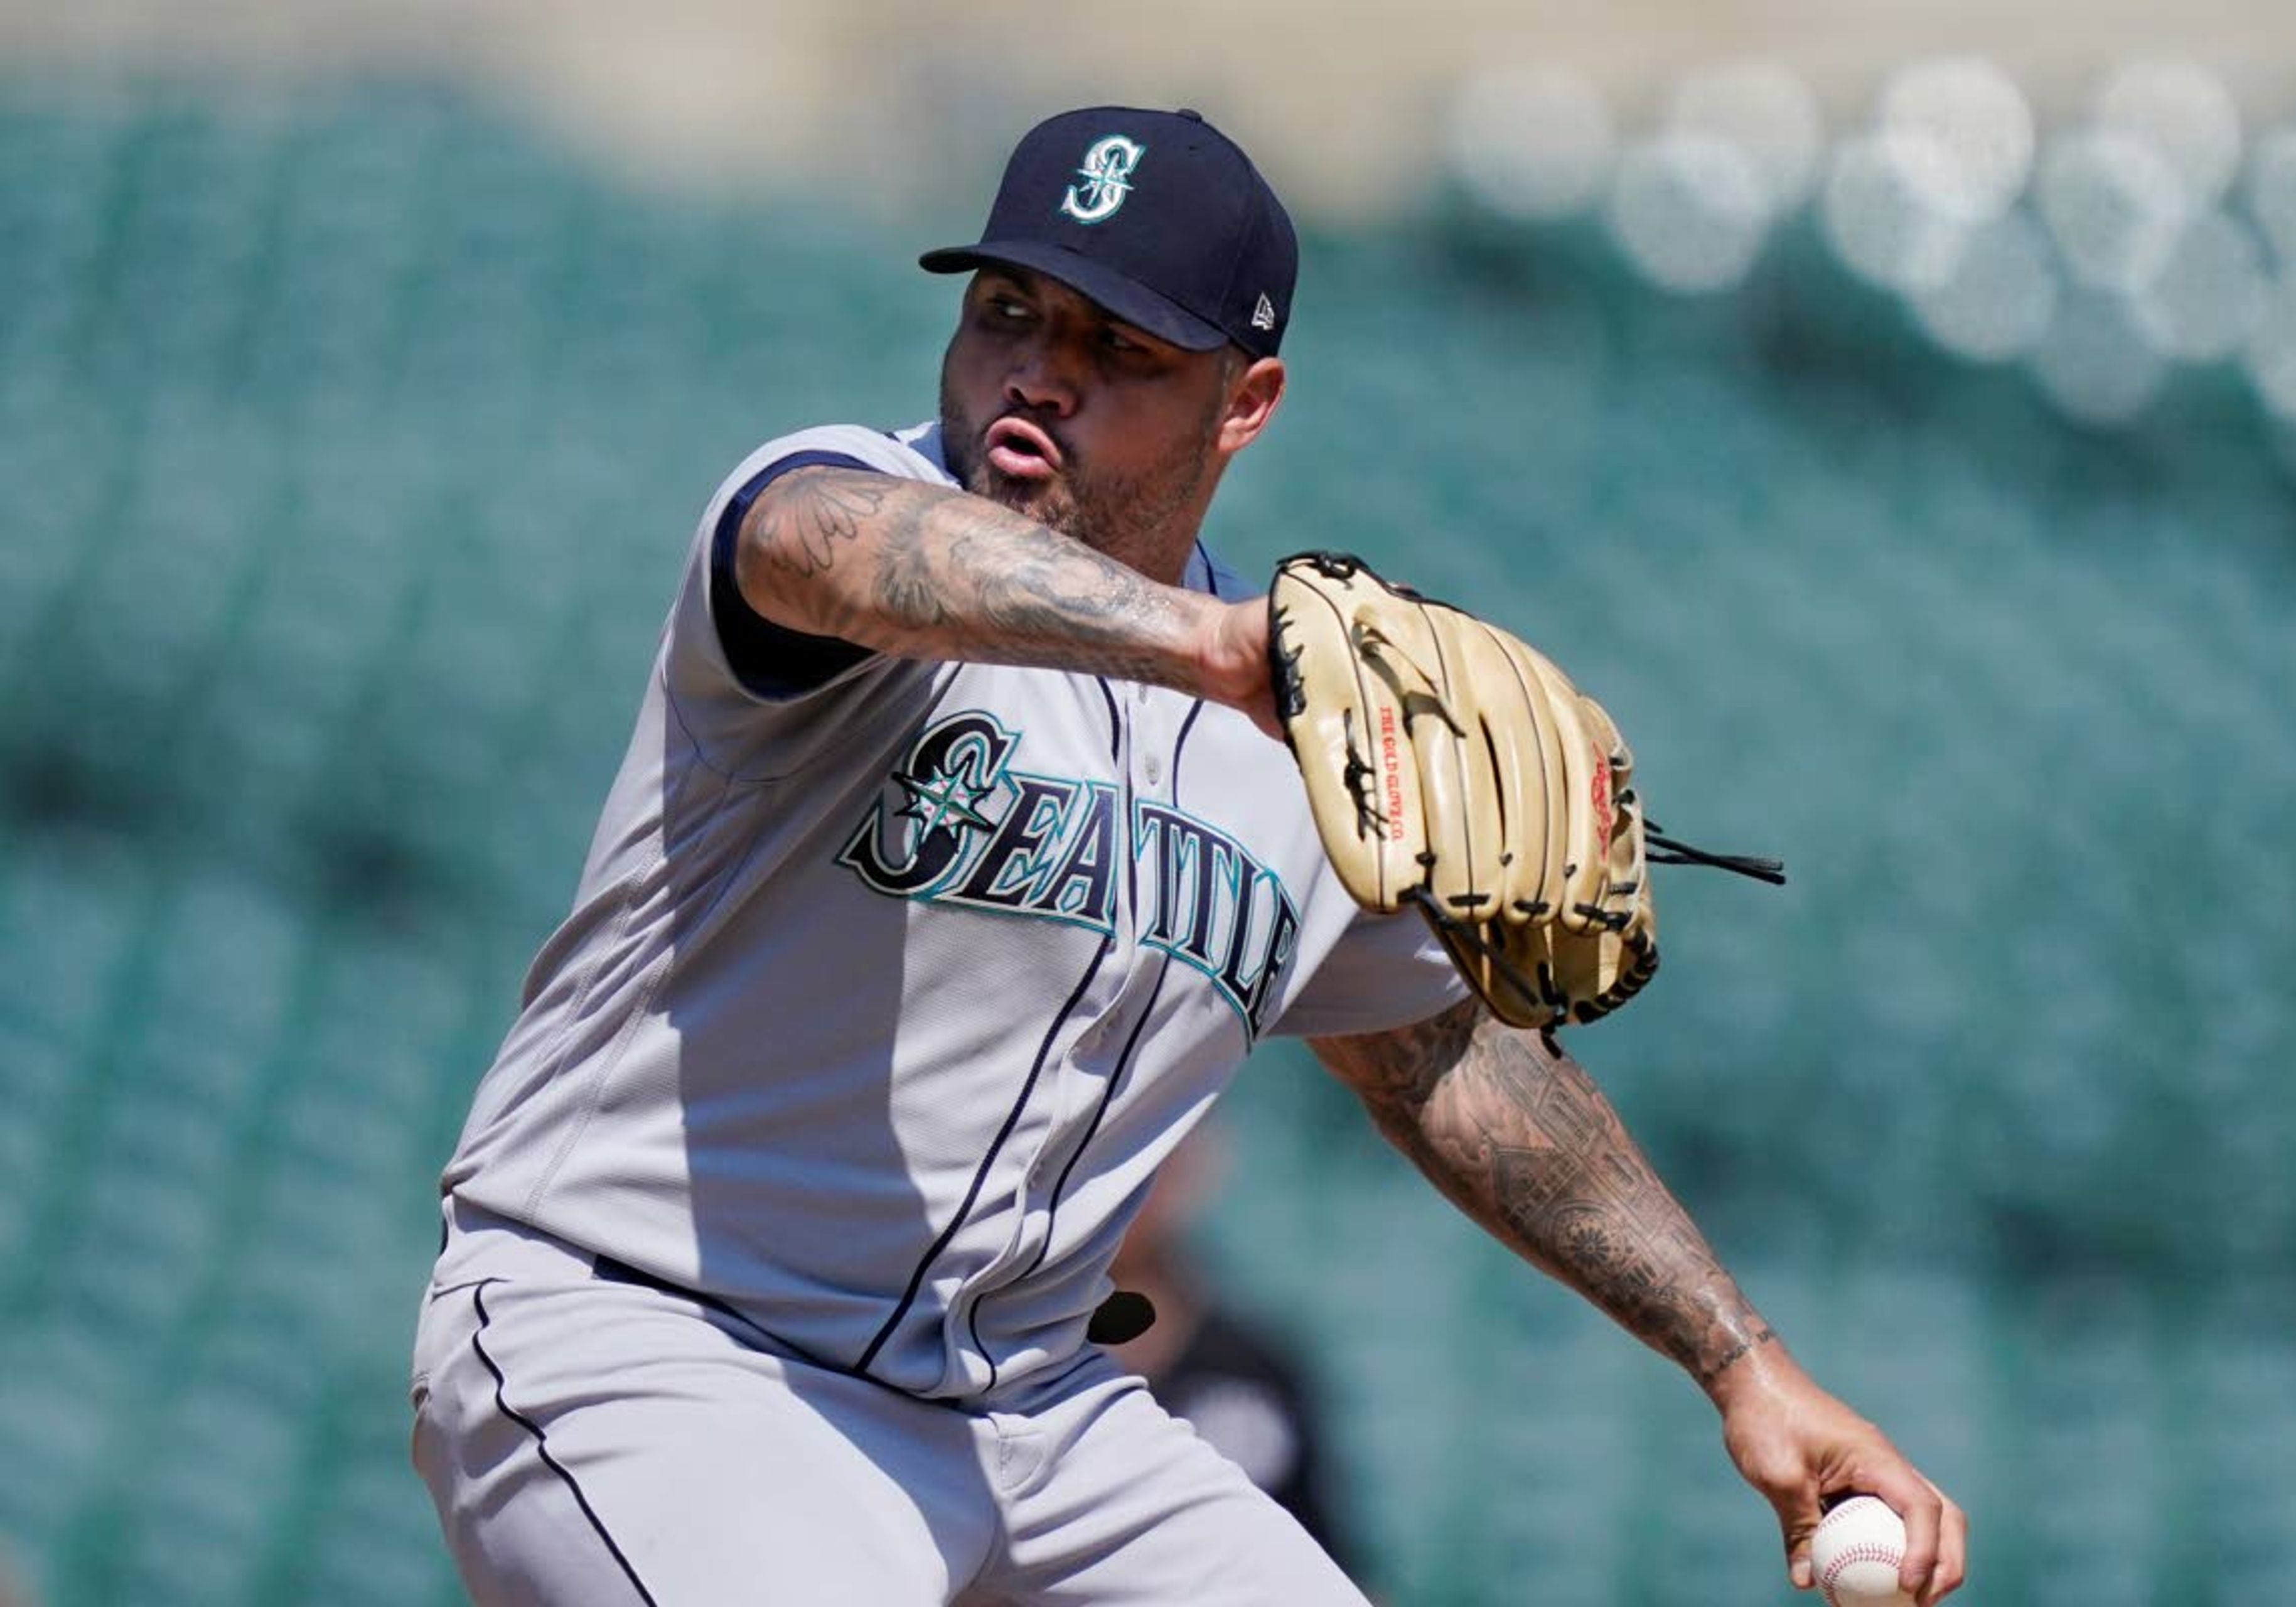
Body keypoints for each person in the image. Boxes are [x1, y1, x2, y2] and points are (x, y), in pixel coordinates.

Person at [407, 104, 1968, 1606]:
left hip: (1025, 1406)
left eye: (1119, 349)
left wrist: (1738, 1361)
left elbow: (1442, 1058)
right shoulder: (851, 516)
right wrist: (1212, 644)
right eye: (1009, 312)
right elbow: (820, 546)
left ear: (1245, 402)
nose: (1039, 375)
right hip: (655, 1345)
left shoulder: (1290, 746)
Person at [1102, 1125, 1359, 1576]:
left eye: (1148, 1165)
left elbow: (1326, 1560)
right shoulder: (1008, 1369)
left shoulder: (1250, 1367)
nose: (1124, 1193)